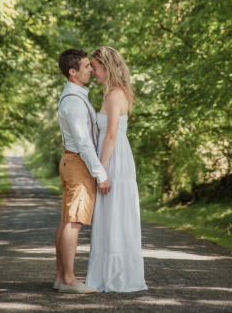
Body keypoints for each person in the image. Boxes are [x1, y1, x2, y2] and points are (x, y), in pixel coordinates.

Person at [85, 46, 148, 293]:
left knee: (115, 214)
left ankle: (117, 276)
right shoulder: (111, 93)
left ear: (107, 67)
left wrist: (102, 171)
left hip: (114, 159)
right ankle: (106, 274)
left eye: (96, 67)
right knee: (109, 215)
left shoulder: (115, 95)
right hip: (111, 156)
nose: (92, 71)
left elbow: (110, 135)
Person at [53, 48, 112, 294]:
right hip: (78, 164)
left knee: (68, 221)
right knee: (74, 222)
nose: (91, 69)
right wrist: (101, 174)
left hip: (72, 162)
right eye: (87, 66)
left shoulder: (76, 95)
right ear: (72, 71)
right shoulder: (74, 101)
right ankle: (68, 280)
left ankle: (60, 278)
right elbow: (85, 142)